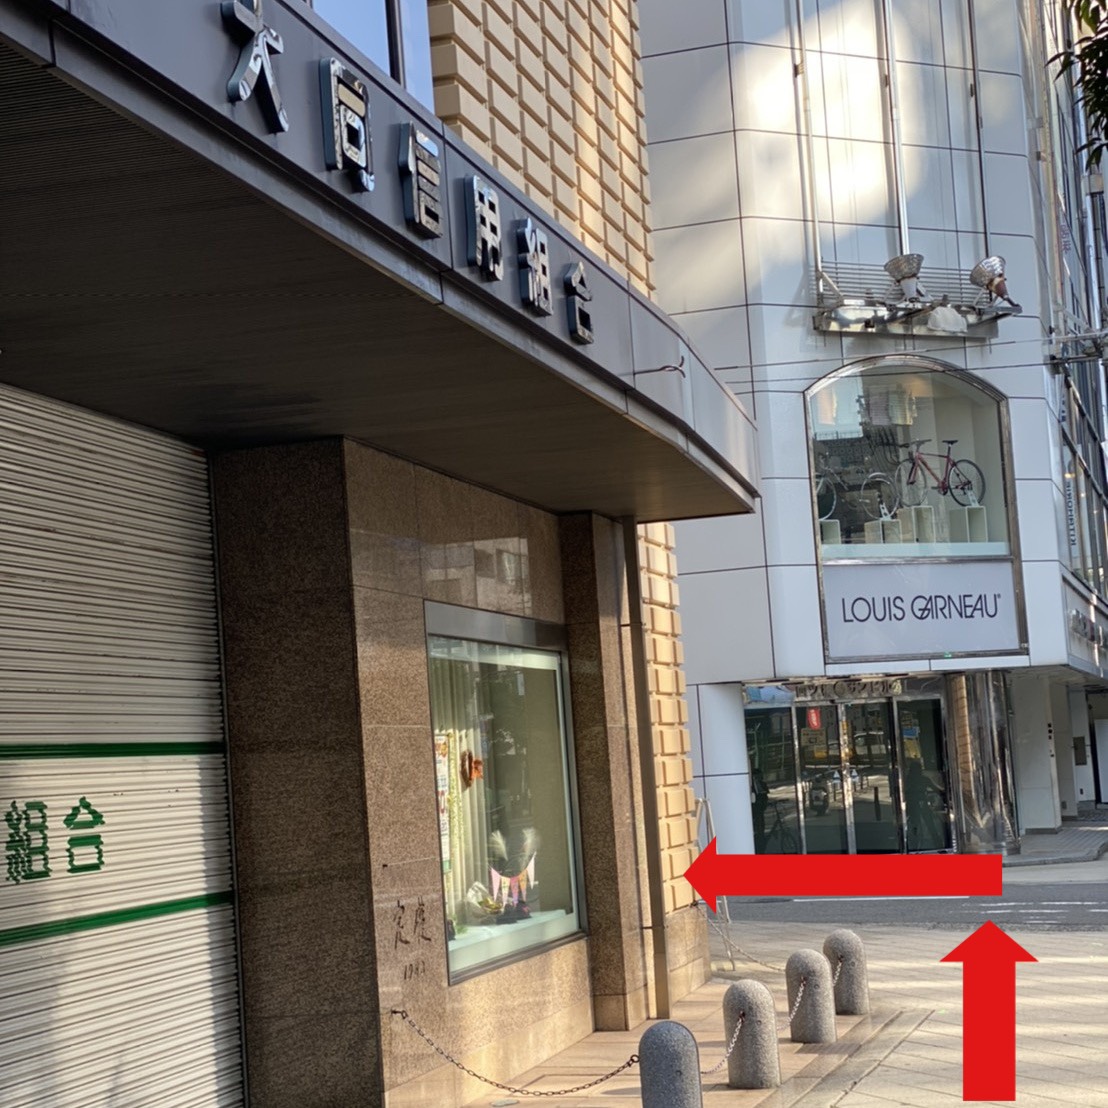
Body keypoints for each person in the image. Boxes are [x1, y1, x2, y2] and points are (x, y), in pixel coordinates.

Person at [751, 768, 769, 853]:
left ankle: (761, 848)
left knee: (761, 829)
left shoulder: (762, 784)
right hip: (755, 811)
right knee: (757, 830)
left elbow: (766, 794)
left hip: (760, 810)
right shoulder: (751, 786)